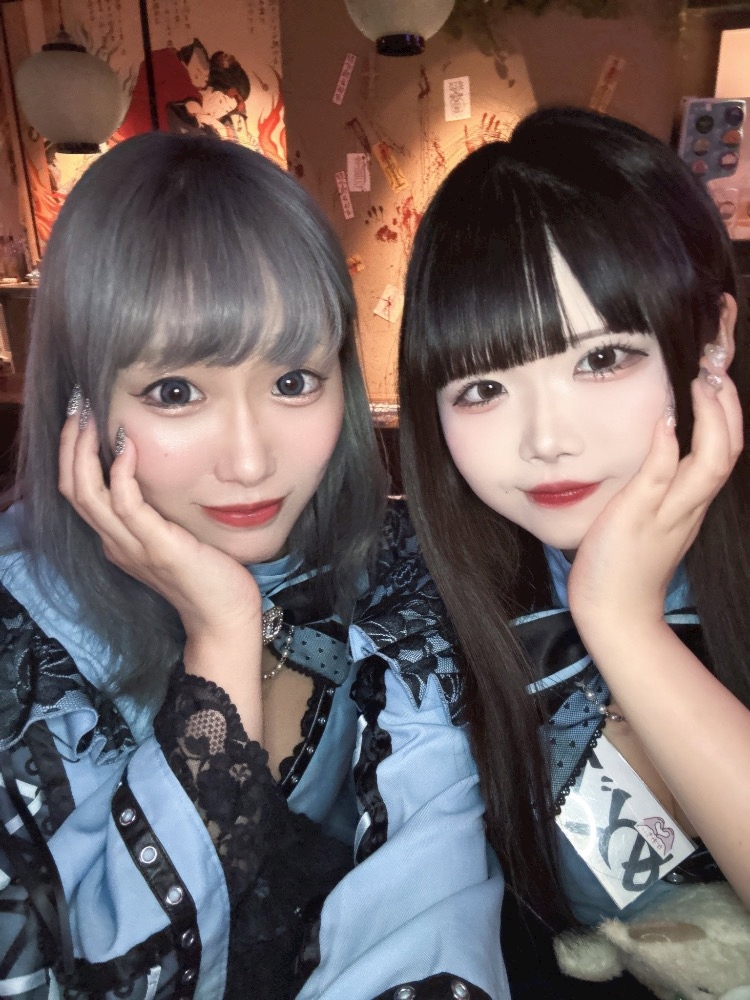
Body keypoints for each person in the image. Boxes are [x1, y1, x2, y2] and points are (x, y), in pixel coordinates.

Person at [349, 106, 750, 996]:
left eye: (602, 360)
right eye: (483, 387)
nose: (546, 440)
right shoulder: (422, 620)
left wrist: (624, 625)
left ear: (713, 336)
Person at [0, 130, 397, 1000]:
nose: (251, 463)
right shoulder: (21, 659)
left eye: (293, 381)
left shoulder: (384, 571)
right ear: (79, 403)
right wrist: (221, 633)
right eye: (176, 392)